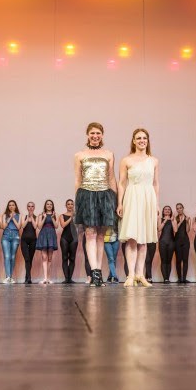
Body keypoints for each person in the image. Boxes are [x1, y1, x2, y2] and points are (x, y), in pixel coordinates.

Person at [74, 122, 118, 287]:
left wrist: (116, 201)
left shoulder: (109, 154)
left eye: (98, 133)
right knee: (90, 233)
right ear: (88, 135)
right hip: (87, 194)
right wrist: (78, 201)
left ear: (102, 135)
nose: (95, 136)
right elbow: (78, 180)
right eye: (92, 133)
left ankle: (98, 271)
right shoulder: (79, 155)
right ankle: (94, 273)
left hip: (105, 195)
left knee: (100, 235)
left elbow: (111, 178)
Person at [118, 128, 159, 288]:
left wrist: (156, 204)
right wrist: (120, 203)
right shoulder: (126, 160)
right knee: (132, 238)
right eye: (139, 138)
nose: (142, 140)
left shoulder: (154, 161)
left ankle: (140, 275)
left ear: (147, 141)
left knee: (144, 239)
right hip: (132, 197)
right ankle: (130, 275)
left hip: (148, 198)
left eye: (144, 138)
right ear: (134, 141)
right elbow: (122, 183)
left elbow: (155, 183)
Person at [36, 200, 58, 284]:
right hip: (43, 235)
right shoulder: (41, 215)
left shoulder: (55, 215)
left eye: (50, 204)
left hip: (51, 235)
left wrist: (52, 217)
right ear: (45, 205)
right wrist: (44, 217)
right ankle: (45, 278)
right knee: (44, 257)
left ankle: (48, 278)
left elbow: (56, 226)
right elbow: (39, 226)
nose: (49, 205)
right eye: (47, 204)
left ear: (52, 206)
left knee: (49, 258)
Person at [0, 200, 21, 284]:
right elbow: (3, 226)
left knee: (12, 257)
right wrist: (9, 218)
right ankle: (7, 276)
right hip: (6, 235)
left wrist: (13, 218)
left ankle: (10, 277)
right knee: (7, 256)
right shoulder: (4, 215)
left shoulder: (19, 215)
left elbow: (19, 227)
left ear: (15, 206)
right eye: (10, 205)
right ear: (8, 207)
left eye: (13, 205)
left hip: (15, 235)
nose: (11, 206)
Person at [59, 199, 78, 283]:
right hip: (64, 238)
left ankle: (70, 278)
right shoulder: (62, 215)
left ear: (73, 205)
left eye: (71, 204)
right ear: (66, 206)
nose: (70, 206)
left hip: (74, 238)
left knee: (72, 258)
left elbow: (79, 226)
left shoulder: (77, 216)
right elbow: (63, 225)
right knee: (65, 258)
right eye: (68, 204)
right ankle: (66, 278)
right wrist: (71, 217)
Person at [19, 202, 38, 284]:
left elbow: (35, 226)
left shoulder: (36, 217)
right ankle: (29, 278)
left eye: (32, 206)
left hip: (33, 240)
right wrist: (28, 218)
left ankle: (27, 277)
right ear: (27, 207)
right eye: (29, 206)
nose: (30, 208)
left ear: (34, 208)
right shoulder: (23, 216)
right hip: (24, 240)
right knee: (27, 259)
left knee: (30, 259)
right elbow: (22, 226)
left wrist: (32, 217)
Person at [158, 206, 176, 283]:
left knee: (169, 261)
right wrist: (165, 220)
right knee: (163, 260)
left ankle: (167, 278)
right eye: (165, 209)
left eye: (169, 209)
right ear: (163, 211)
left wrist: (172, 220)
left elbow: (176, 230)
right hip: (162, 242)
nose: (167, 211)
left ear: (171, 211)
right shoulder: (160, 219)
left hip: (171, 242)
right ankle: (165, 278)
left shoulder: (173, 220)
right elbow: (159, 229)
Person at [174, 203, 191, 283]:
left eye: (180, 208)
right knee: (178, 260)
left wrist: (187, 222)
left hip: (185, 241)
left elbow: (187, 230)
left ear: (183, 208)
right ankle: (179, 278)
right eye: (177, 208)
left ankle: (184, 278)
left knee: (185, 260)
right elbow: (175, 230)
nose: (179, 209)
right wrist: (180, 221)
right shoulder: (175, 218)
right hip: (177, 241)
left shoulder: (187, 218)